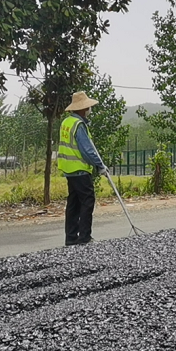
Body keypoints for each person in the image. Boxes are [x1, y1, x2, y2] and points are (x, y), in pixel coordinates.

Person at [58, 91, 109, 246]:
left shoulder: (66, 122)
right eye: (87, 107)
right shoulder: (79, 125)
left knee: (73, 203)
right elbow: (87, 150)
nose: (89, 110)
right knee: (88, 200)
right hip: (79, 169)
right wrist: (100, 166)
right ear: (82, 109)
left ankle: (71, 238)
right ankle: (84, 238)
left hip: (68, 169)